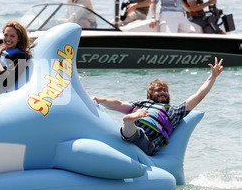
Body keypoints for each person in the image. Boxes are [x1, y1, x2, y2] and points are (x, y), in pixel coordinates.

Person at [92, 57, 223, 156]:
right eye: (158, 90)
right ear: (150, 94)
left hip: (149, 143)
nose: (162, 92)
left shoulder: (174, 111)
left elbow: (198, 95)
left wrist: (213, 76)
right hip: (132, 130)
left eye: (164, 90)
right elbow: (117, 104)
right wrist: (100, 99)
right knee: (132, 129)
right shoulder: (141, 104)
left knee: (137, 133)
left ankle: (129, 122)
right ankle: (129, 122)